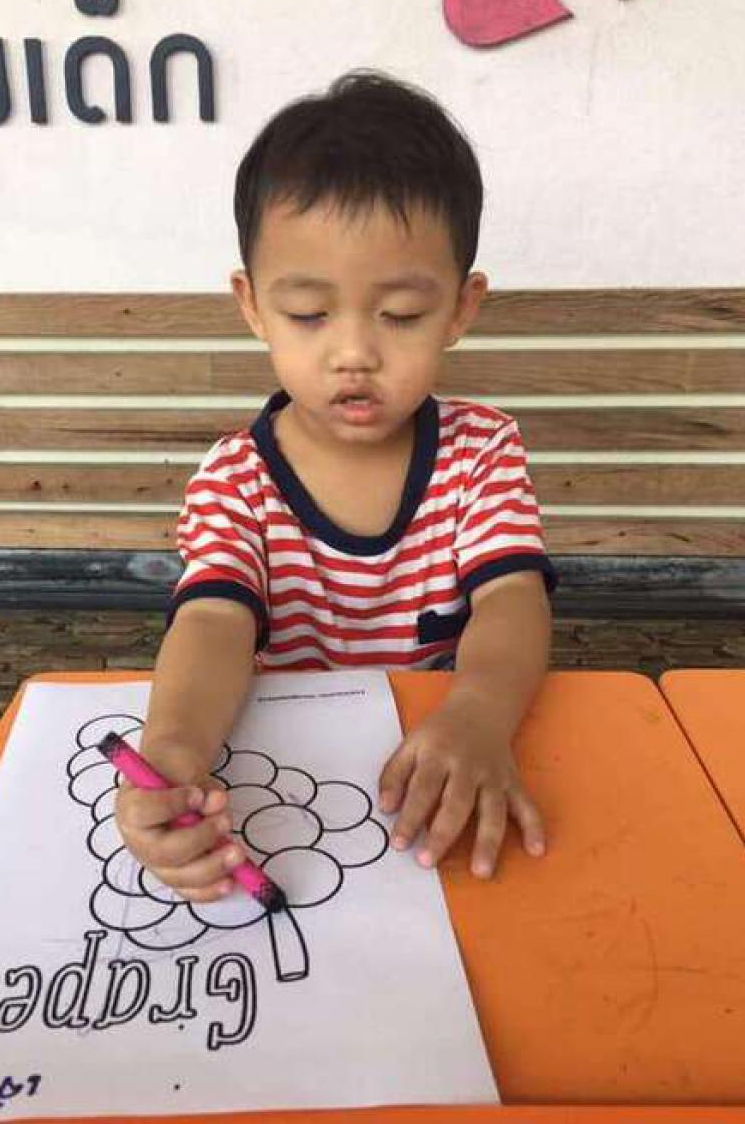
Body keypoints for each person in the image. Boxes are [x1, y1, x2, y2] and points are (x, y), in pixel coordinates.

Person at [116, 69, 557, 901]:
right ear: (253, 305)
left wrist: (478, 714)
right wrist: (172, 747)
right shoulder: (235, 479)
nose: (354, 353)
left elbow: (512, 600)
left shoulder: (481, 451)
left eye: (400, 315)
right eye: (309, 315)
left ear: (461, 310)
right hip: (286, 780)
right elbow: (212, 620)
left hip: (443, 757)